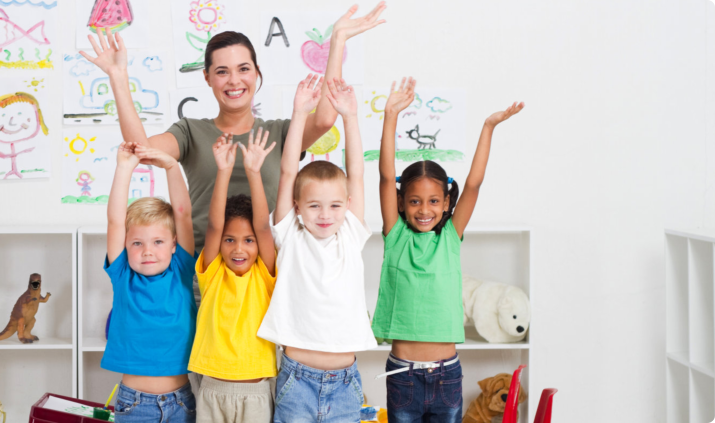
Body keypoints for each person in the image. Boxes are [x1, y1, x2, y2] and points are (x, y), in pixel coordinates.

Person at [79, 2, 386, 252]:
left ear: (256, 73)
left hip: (267, 268)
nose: (234, 80)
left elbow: (323, 119)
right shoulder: (190, 132)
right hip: (204, 266)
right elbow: (140, 150)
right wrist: (118, 78)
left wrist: (337, 41)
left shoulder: (280, 133)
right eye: (222, 71)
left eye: (243, 69)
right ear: (207, 78)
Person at [371, 76, 525, 423]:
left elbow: (474, 182)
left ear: (445, 205)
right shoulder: (395, 235)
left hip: (447, 375)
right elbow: (385, 176)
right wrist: (390, 116)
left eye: (433, 201)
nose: (424, 209)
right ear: (401, 202)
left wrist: (489, 126)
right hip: (403, 375)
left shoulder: (451, 236)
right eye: (414, 201)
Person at [257, 74, 377, 423]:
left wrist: (351, 117)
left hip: (345, 384)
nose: (325, 215)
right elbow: (286, 171)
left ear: (348, 204)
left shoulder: (351, 234)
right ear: (296, 206)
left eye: (335, 206)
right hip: (297, 380)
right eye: (314, 206)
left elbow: (356, 173)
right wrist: (299, 114)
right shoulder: (290, 234)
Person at [103, 141, 198, 423]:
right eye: (137, 243)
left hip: (182, 401)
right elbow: (115, 221)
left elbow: (183, 214)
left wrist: (171, 165)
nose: (147, 251)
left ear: (173, 245)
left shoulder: (181, 269)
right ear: (125, 245)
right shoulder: (122, 275)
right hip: (134, 404)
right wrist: (124, 169)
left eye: (158, 242)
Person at [188, 128, 278, 423]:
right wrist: (223, 170)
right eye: (230, 240)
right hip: (212, 387)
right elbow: (213, 226)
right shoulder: (213, 272)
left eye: (248, 240)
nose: (239, 248)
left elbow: (264, 227)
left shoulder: (264, 275)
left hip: (258, 391)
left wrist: (253, 171)